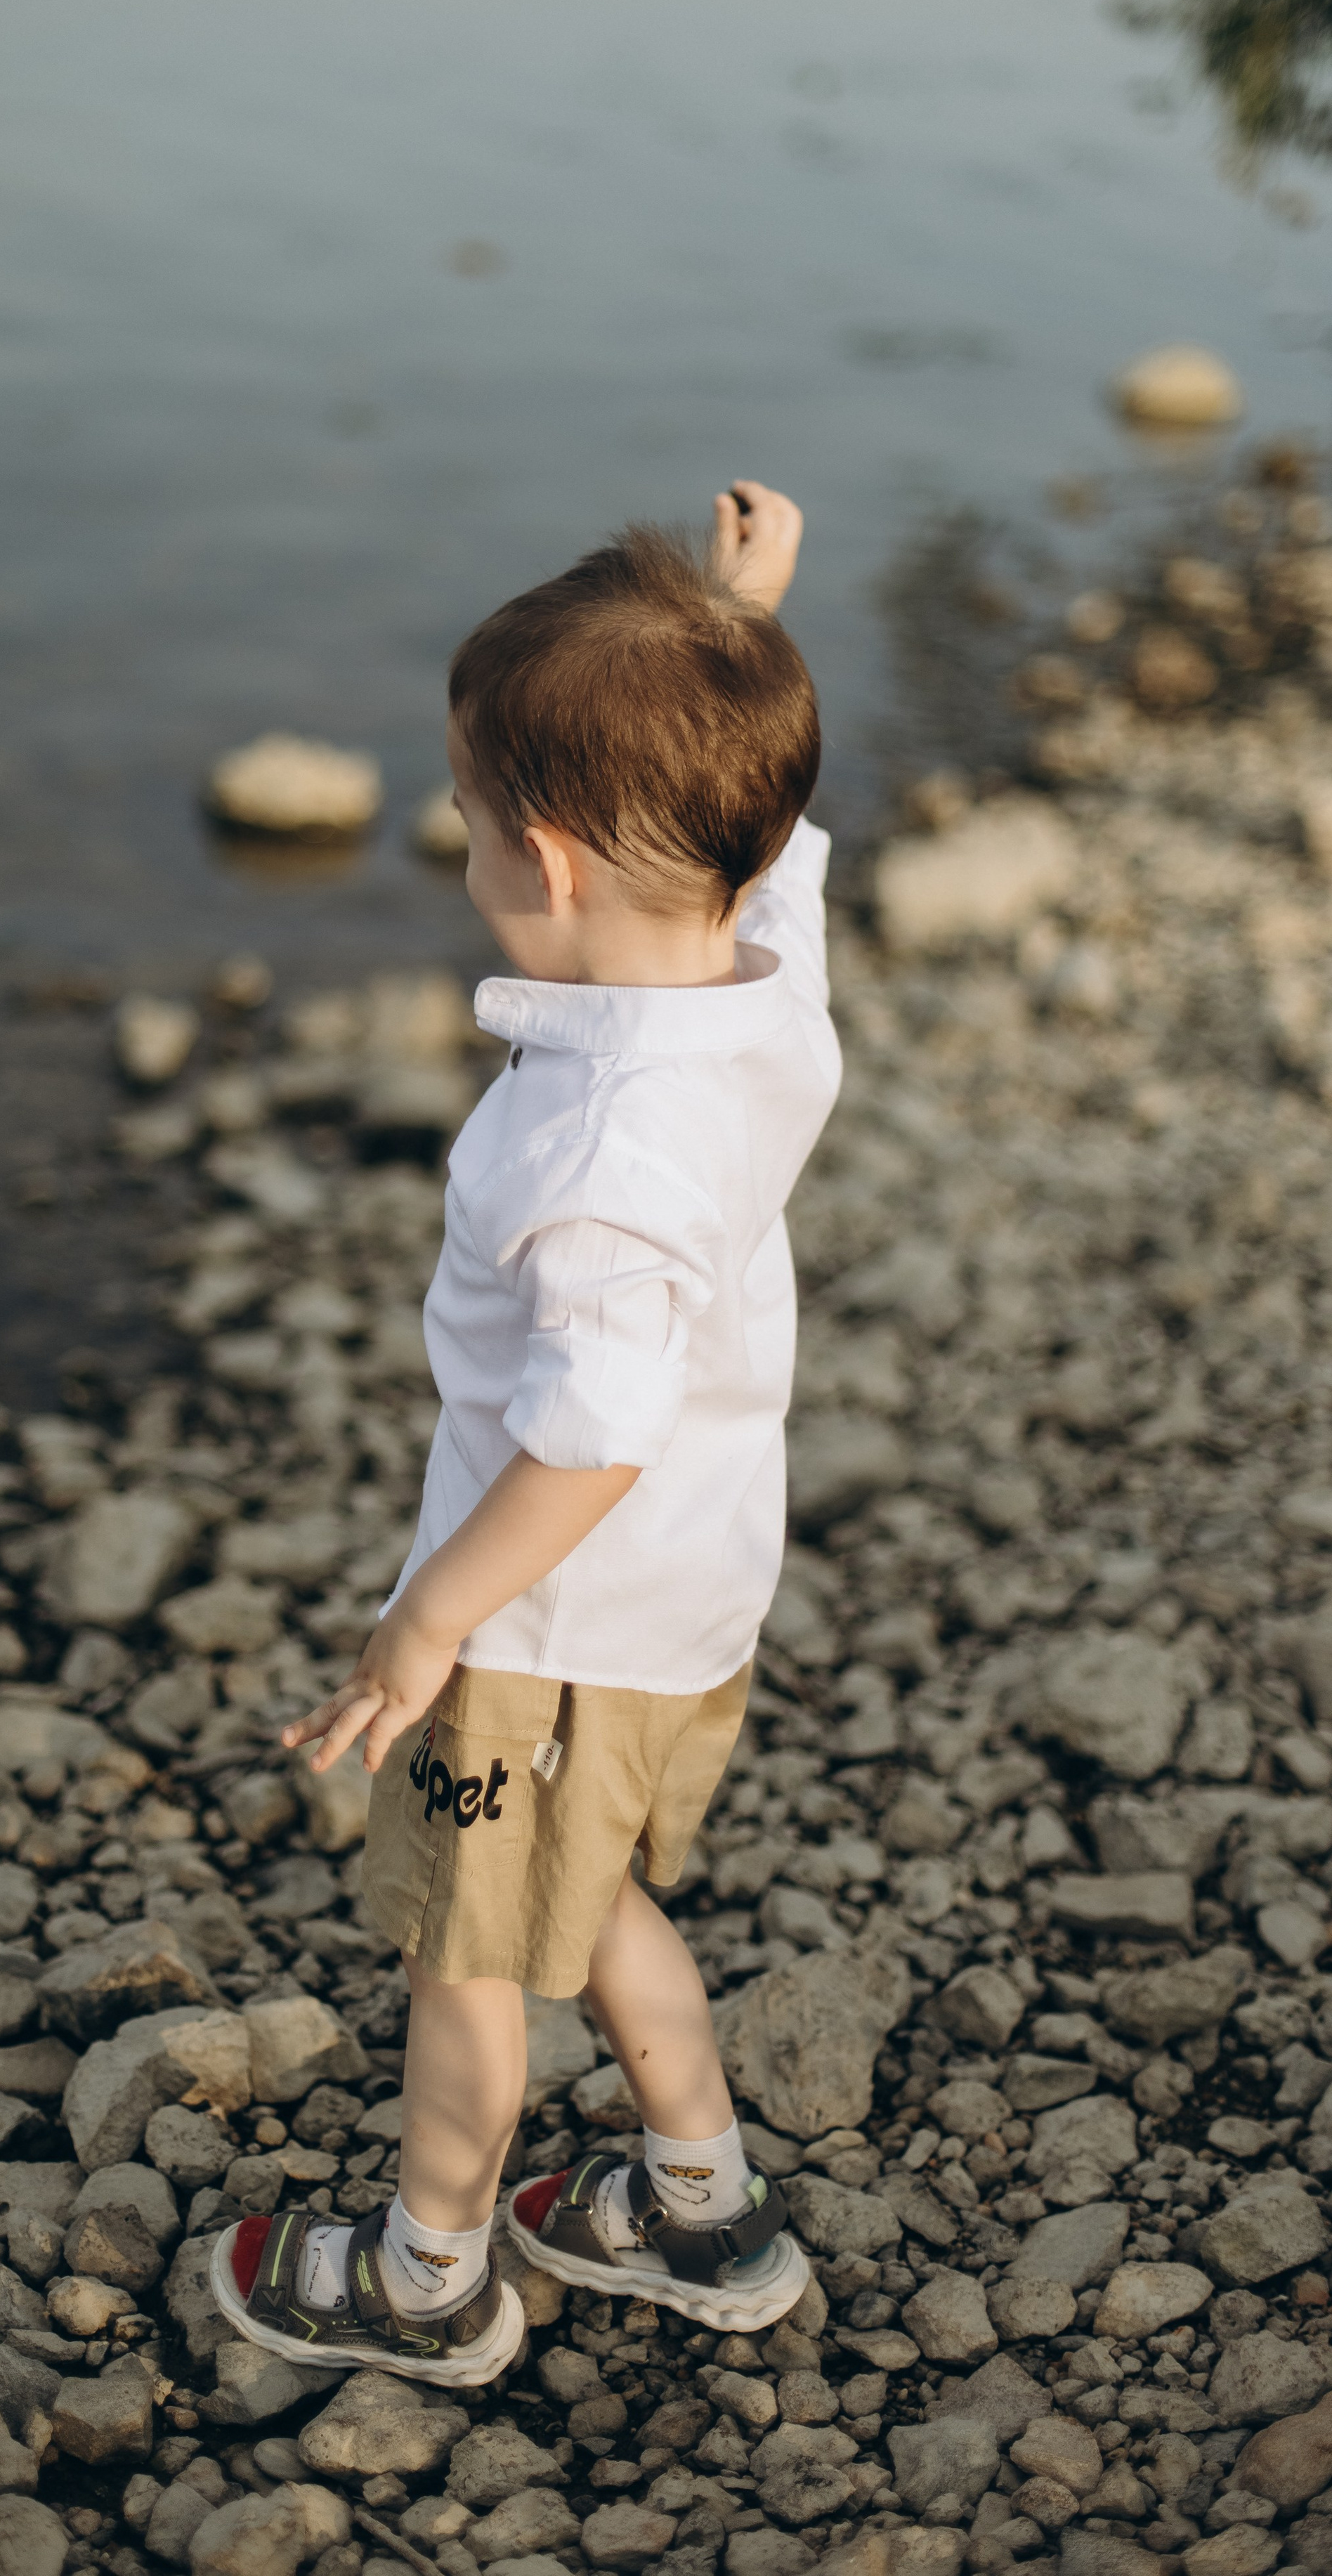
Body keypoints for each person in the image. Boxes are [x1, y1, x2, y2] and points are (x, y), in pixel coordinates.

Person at [211, 483, 840, 2383]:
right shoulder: (757, 976)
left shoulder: (601, 1152)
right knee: (598, 1890)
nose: (468, 862)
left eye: (476, 836)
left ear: (551, 869)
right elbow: (769, 846)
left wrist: (433, 1619)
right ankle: (699, 2207)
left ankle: (427, 2281)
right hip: (685, 1609)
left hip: (549, 1627)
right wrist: (734, 636)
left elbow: (593, 1427)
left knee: (470, 1960)